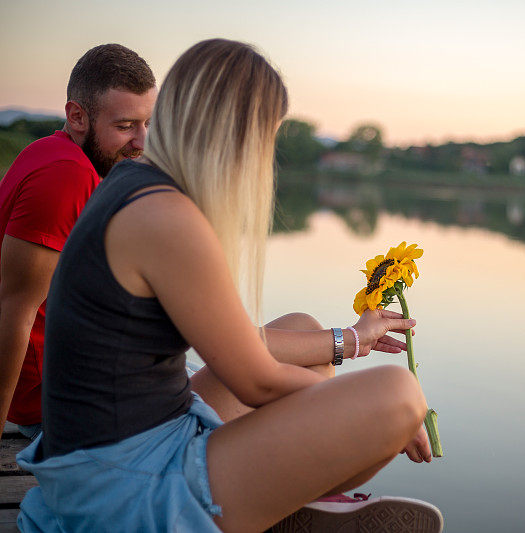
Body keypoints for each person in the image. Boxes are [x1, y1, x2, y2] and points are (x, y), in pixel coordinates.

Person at [16, 39, 443, 533]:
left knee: (304, 333)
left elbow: (237, 343)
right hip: (122, 486)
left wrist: (344, 345)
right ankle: (271, 502)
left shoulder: (136, 182)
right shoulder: (167, 218)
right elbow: (255, 380)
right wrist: (384, 412)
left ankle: (283, 499)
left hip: (105, 453)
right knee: (397, 393)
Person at [0, 44, 157, 441]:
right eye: (125, 126)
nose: (141, 142)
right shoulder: (66, 174)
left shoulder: (54, 153)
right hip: (61, 406)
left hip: (86, 383)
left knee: (299, 343)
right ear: (77, 116)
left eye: (146, 124)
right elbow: (13, 309)